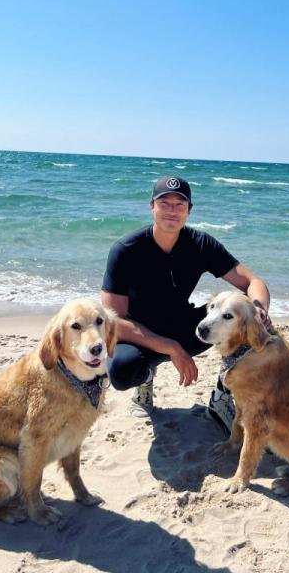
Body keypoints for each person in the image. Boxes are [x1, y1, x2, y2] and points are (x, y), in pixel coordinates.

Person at [101, 175, 271, 431]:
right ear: (152, 207)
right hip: (137, 334)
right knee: (122, 371)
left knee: (248, 326)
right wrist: (170, 347)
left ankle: (221, 395)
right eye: (164, 203)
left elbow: (253, 282)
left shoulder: (201, 244)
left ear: (189, 211)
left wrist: (259, 310)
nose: (172, 210)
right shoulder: (126, 250)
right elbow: (113, 321)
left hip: (183, 325)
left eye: (179, 205)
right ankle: (145, 380)